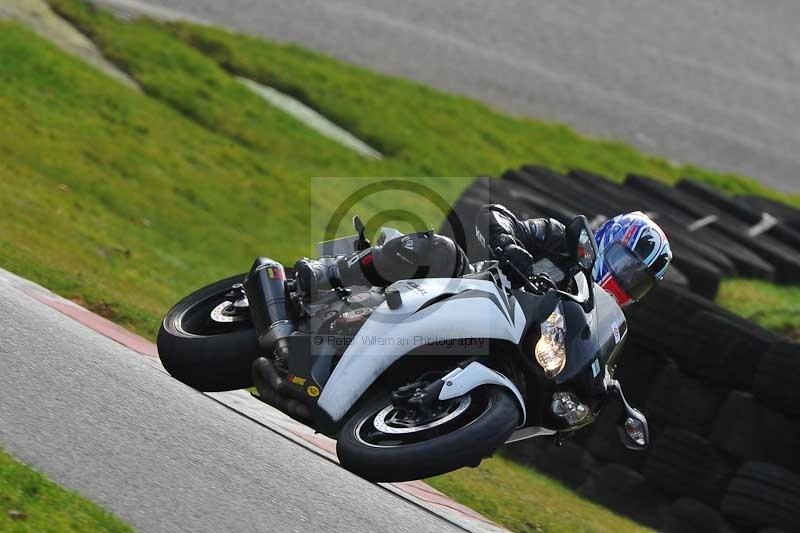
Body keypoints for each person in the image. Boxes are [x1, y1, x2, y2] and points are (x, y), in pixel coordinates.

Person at [295, 204, 672, 306]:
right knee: (441, 249)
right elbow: (495, 216)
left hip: (502, 339)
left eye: (637, 282)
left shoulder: (595, 317)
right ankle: (329, 272)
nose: (624, 281)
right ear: (609, 240)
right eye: (626, 266)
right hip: (466, 290)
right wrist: (512, 249)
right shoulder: (560, 238)